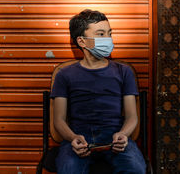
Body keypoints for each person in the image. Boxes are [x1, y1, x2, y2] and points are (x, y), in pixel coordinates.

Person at [51, 9, 146, 173]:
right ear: (82, 41)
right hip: (79, 138)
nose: (108, 39)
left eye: (109, 33)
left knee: (136, 169)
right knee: (68, 169)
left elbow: (132, 116)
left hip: (115, 137)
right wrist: (73, 138)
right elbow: (59, 120)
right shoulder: (64, 75)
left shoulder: (124, 71)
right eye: (101, 34)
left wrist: (123, 134)